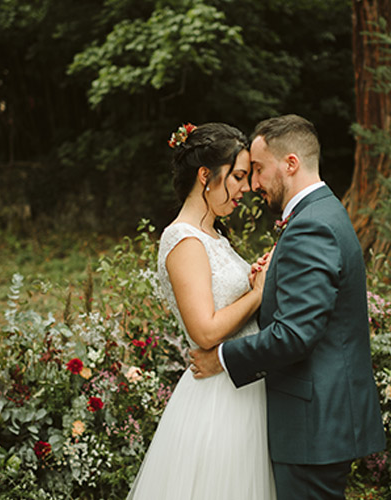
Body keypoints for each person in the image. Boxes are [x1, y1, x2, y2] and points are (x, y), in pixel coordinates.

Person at [191, 114, 386, 499]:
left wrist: (223, 358)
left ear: (291, 164)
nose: (253, 183)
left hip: (313, 426)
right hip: (321, 422)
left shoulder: (311, 226)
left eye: (259, 170)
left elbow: (295, 336)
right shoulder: (321, 214)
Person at [127, 122, 276, 500]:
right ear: (205, 176)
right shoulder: (184, 240)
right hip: (218, 402)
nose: (246, 188)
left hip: (242, 387)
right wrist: (257, 294)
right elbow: (205, 331)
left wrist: (257, 276)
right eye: (238, 176)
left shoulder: (214, 236)